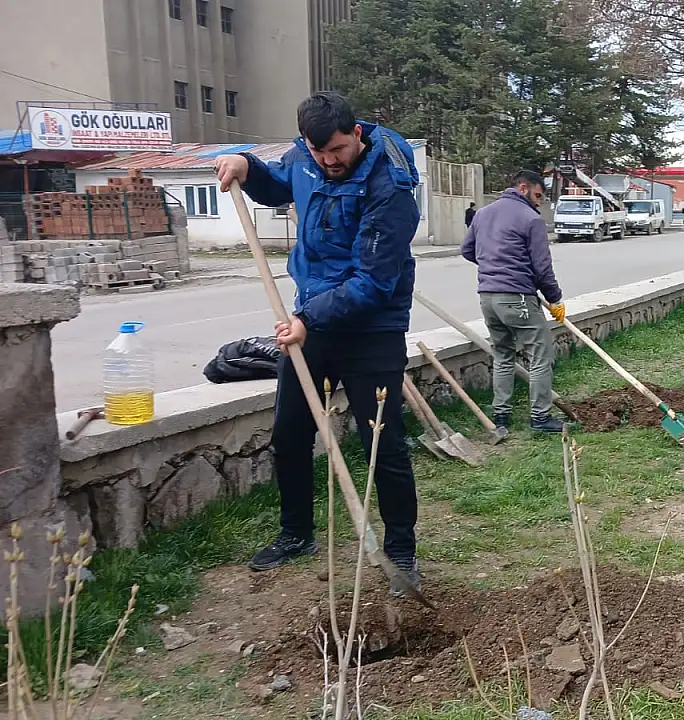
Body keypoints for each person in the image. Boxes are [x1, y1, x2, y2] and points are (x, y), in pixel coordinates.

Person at [214, 92, 423, 593]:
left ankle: (400, 549)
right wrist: (246, 165)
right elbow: (274, 187)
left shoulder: (389, 185)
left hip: (372, 326)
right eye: (318, 151)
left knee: (383, 441)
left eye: (336, 150)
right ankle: (296, 534)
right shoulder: (305, 159)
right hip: (312, 320)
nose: (328, 161)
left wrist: (308, 318)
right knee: (289, 433)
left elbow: (373, 282)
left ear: (356, 134)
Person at [461, 170, 569, 433]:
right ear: (523, 188)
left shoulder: (483, 214)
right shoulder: (531, 219)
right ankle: (540, 417)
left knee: (503, 354)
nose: (538, 203)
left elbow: (467, 250)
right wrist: (554, 298)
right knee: (541, 354)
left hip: (488, 298)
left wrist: (494, 266)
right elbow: (542, 268)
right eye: (537, 195)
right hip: (518, 298)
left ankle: (501, 415)